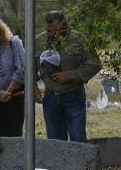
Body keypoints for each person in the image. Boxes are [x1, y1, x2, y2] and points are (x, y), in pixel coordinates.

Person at [36, 11, 101, 142]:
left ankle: (80, 163)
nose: (51, 34)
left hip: (74, 96)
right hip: (51, 97)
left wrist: (69, 75)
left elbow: (94, 64)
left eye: (54, 31)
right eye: (48, 31)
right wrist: (33, 87)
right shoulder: (38, 41)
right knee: (55, 142)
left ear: (64, 26)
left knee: (78, 138)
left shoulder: (80, 39)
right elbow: (28, 67)